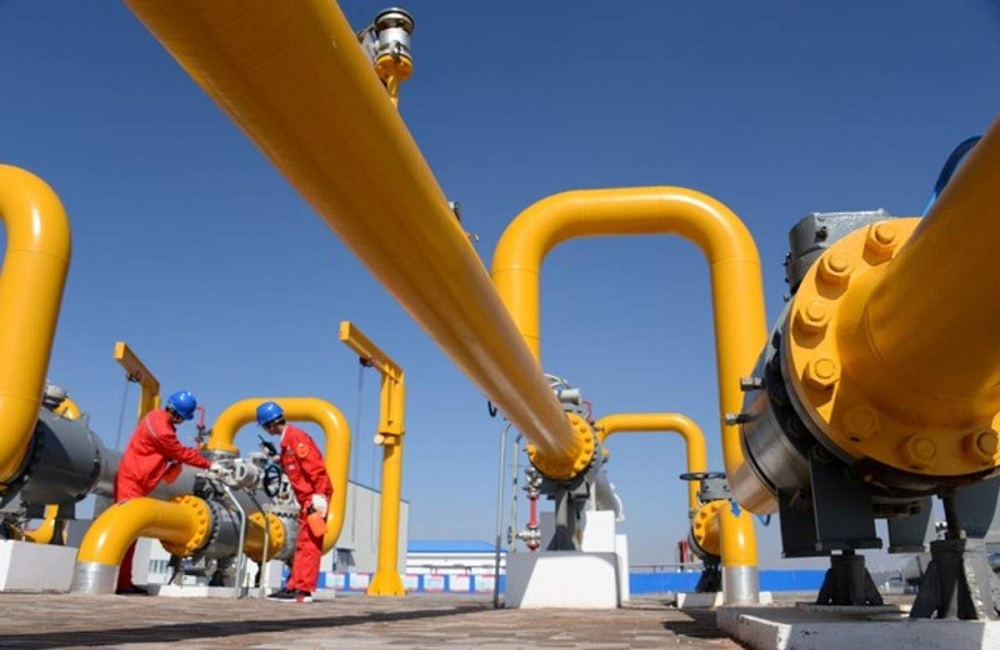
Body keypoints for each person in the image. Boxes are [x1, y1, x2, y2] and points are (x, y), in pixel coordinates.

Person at [114, 390, 223, 595]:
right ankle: (120, 583)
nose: (182, 422)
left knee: (130, 535)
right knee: (126, 533)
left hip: (136, 479)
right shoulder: (162, 430)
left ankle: (122, 581)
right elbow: (178, 451)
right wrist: (210, 465)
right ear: (178, 414)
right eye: (183, 417)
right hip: (132, 481)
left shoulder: (157, 419)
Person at [257, 401, 332, 604]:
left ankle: (303, 590)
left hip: (314, 496)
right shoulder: (287, 443)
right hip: (307, 497)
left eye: (265, 426)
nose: (266, 430)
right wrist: (275, 457)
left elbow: (315, 466)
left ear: (270, 424)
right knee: (303, 543)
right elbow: (294, 465)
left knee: (310, 543)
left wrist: (319, 495)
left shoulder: (295, 437)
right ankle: (294, 586)